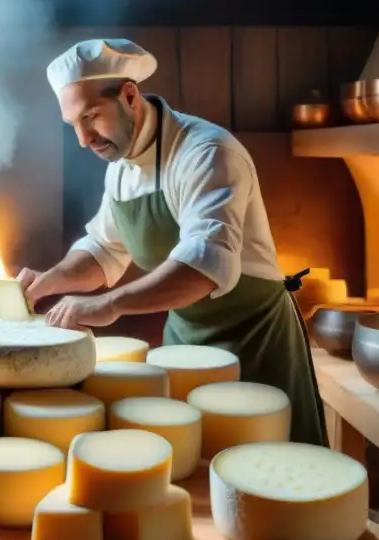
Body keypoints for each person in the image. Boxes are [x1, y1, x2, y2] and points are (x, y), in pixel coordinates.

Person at [17, 38, 327, 446]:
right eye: (73, 124)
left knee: (269, 473)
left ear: (130, 95)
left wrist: (108, 305)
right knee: (193, 468)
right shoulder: (122, 167)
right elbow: (104, 248)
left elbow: (204, 266)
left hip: (253, 341)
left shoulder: (206, 152)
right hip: (184, 343)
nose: (83, 138)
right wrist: (50, 280)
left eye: (91, 117)